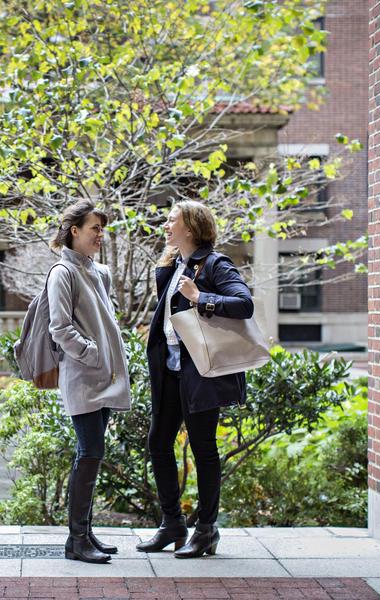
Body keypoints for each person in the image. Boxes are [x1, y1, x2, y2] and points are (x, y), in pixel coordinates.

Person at [136, 200, 254, 558]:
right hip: (170, 373)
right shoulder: (172, 266)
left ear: (190, 227)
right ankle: (172, 522)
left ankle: (206, 530)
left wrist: (201, 297)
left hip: (200, 373)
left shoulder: (216, 264)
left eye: (172, 220)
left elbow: (244, 304)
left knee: (203, 449)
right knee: (158, 443)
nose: (166, 225)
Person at [47, 200, 131, 564]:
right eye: (94, 228)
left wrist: (108, 358)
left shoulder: (101, 272)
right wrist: (94, 354)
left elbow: (106, 320)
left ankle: (85, 534)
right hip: (83, 377)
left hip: (106, 377)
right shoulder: (61, 273)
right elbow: (60, 328)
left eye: (102, 228)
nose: (100, 234)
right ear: (74, 230)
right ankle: (76, 540)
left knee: (91, 455)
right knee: (90, 452)